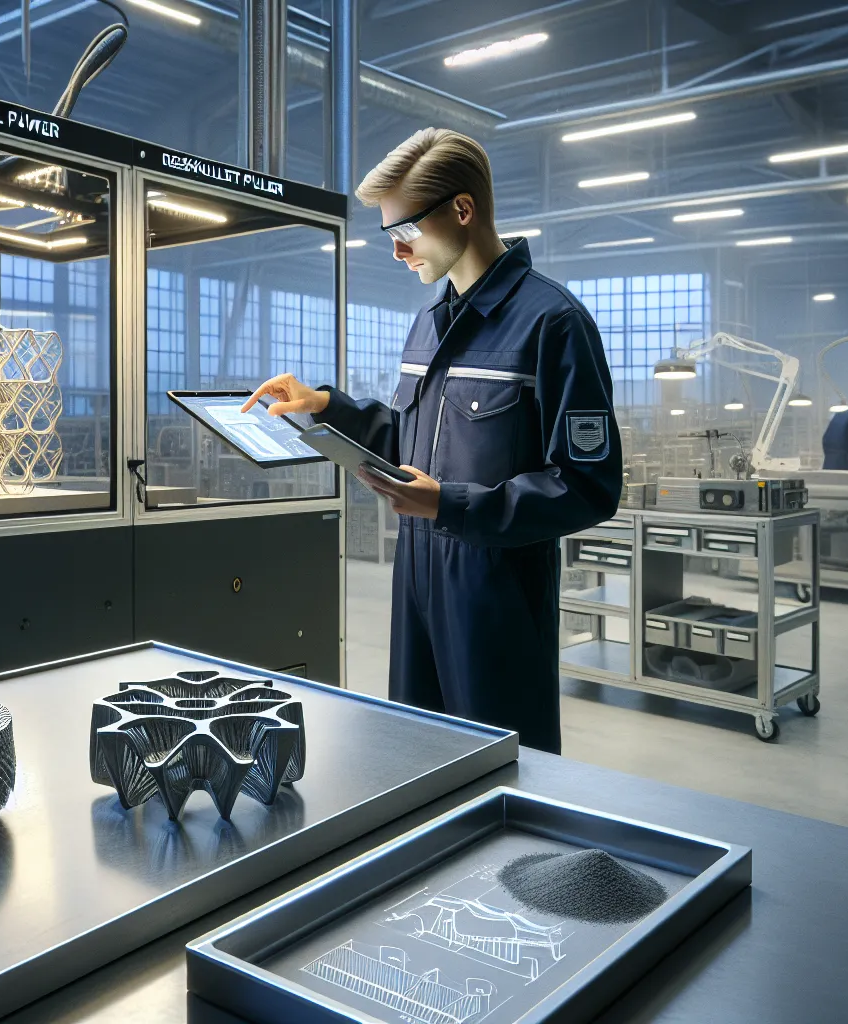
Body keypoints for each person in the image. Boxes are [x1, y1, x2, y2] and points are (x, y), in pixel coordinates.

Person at [241, 127, 622, 754]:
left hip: (494, 600)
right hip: (415, 582)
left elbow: (589, 485)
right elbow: (409, 438)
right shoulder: (428, 322)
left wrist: (452, 505)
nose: (397, 252)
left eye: (404, 232)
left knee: (503, 773)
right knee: (416, 756)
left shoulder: (553, 323)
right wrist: (326, 409)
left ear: (462, 210)